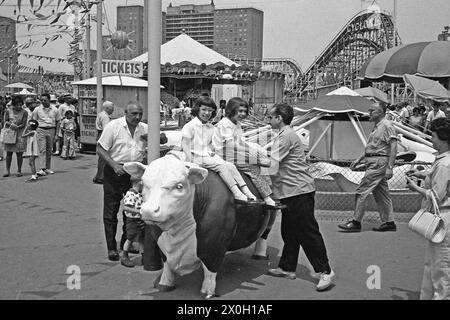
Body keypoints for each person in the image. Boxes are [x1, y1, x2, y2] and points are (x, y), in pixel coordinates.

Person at [265, 103, 335, 291]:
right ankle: (287, 267)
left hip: (298, 190)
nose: (269, 120)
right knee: (290, 231)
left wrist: (248, 159)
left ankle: (325, 271)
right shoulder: (284, 135)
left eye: (271, 117)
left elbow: (272, 165)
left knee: (307, 232)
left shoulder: (286, 136)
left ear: (279, 118)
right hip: (290, 191)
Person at [181, 96, 259, 203]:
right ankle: (236, 192)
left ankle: (246, 190)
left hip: (206, 156)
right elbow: (185, 144)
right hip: (195, 156)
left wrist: (211, 151)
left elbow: (209, 144)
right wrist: (190, 161)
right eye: (204, 109)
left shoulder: (210, 127)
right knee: (221, 165)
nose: (207, 113)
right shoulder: (190, 126)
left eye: (210, 110)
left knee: (230, 165)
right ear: (197, 109)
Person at [96, 101, 148, 262]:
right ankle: (111, 247)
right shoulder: (114, 126)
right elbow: (100, 148)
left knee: (132, 211)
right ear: (125, 112)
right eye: (134, 114)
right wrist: (113, 165)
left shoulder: (145, 128)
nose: (137, 117)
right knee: (111, 211)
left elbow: (160, 141)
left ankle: (127, 241)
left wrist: (160, 138)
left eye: (140, 114)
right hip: (115, 171)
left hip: (135, 174)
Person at [405, 117, 450, 300]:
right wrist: (423, 174)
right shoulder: (443, 160)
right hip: (443, 217)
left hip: (444, 218)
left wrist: (415, 187)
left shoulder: (445, 163)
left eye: (433, 135)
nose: (431, 138)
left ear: (443, 137)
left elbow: (435, 195)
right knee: (432, 263)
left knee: (441, 266)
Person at [213, 97, 284, 209]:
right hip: (224, 154)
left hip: (234, 153)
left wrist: (252, 149)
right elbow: (230, 144)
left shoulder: (237, 124)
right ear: (231, 110)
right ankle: (266, 197)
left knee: (261, 158)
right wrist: (247, 151)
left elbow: (240, 141)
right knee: (253, 168)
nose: (242, 114)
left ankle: (269, 191)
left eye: (244, 111)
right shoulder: (225, 123)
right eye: (239, 111)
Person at [339, 101, 398, 232]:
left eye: (372, 111)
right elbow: (374, 147)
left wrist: (390, 167)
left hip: (378, 164)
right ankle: (389, 222)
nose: (369, 113)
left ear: (381, 112)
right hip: (375, 161)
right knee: (382, 194)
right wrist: (361, 158)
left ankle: (356, 221)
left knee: (361, 191)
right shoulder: (378, 126)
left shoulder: (386, 125)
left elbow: (393, 146)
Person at [32, 93, 61, 176]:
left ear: (49, 100)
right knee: (42, 149)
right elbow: (34, 121)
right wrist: (34, 130)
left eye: (45, 100)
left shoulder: (55, 109)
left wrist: (57, 134)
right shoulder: (37, 109)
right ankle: (42, 168)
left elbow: (58, 121)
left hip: (51, 130)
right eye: (42, 100)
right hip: (41, 129)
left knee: (49, 149)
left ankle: (47, 168)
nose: (43, 102)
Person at [120, 178, 145, 268]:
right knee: (130, 238)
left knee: (141, 238)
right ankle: (125, 256)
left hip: (140, 220)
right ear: (140, 183)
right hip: (133, 220)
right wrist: (138, 211)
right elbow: (126, 208)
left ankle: (144, 256)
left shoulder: (140, 194)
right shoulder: (131, 194)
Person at [2, 95, 28, 177]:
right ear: (13, 104)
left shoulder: (24, 112)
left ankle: (19, 170)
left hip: (19, 134)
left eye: (20, 104)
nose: (19, 106)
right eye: (17, 105)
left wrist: (18, 127)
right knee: (9, 153)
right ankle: (7, 170)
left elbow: (24, 123)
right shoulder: (8, 111)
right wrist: (11, 125)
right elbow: (5, 121)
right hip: (10, 133)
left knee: (19, 154)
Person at [93, 101, 114, 184]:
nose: (113, 110)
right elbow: (107, 129)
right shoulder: (105, 117)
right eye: (112, 108)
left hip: (100, 135)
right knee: (104, 158)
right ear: (107, 108)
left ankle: (98, 175)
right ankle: (101, 176)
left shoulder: (101, 114)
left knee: (101, 158)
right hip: (103, 136)